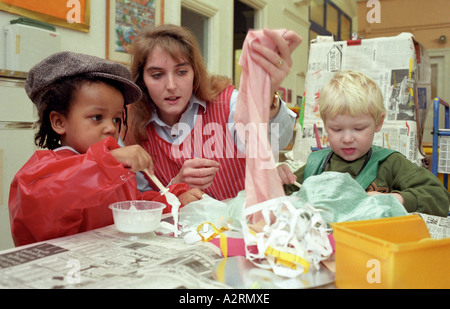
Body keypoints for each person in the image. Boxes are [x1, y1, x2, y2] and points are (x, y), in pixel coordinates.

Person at [9, 51, 203, 246]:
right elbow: (51, 199)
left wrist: (175, 200)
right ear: (59, 122)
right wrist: (109, 161)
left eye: (117, 119)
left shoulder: (113, 171)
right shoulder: (43, 173)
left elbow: (135, 208)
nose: (111, 128)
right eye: (97, 118)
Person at [125, 24, 302, 201]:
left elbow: (274, 139)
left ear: (195, 73)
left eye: (181, 72)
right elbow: (140, 202)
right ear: (142, 81)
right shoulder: (132, 127)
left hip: (242, 224)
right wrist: (176, 184)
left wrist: (266, 95)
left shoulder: (227, 102)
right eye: (157, 75)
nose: (171, 85)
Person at [280, 70, 450, 217]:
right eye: (337, 129)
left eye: (359, 129)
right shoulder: (315, 164)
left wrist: (395, 199)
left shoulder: (390, 163)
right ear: (325, 124)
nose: (347, 139)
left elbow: (439, 196)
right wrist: (277, 178)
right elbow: (279, 195)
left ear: (378, 122)